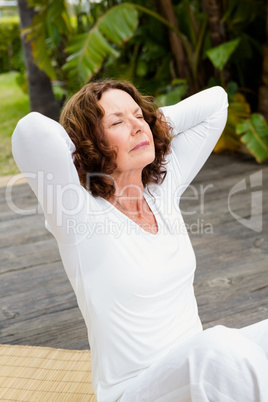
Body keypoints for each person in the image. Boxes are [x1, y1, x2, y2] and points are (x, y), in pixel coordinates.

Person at [12, 80, 268, 402]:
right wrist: (86, 143)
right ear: (91, 143)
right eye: (117, 122)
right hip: (135, 390)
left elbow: (216, 103)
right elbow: (30, 132)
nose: (136, 127)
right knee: (219, 351)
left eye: (140, 117)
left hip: (195, 368)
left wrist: (144, 124)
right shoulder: (78, 214)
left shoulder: (161, 190)